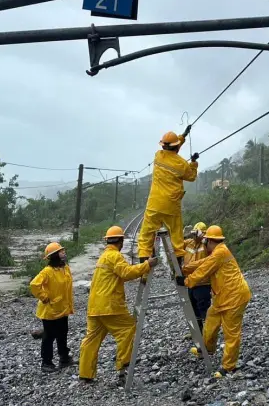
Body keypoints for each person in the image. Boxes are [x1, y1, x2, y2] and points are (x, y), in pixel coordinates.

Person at [78, 226, 158, 384]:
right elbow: (126, 273)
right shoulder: (115, 256)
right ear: (120, 241)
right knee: (127, 328)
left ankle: (85, 374)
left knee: (91, 339)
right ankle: (123, 367)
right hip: (110, 306)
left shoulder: (103, 257)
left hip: (95, 307)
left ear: (107, 240)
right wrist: (147, 265)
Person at [184, 225, 252, 378]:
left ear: (209, 241)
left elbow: (204, 269)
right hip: (223, 297)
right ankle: (207, 348)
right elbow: (204, 263)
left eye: (205, 241)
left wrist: (187, 281)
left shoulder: (220, 252)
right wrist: (186, 268)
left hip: (235, 298)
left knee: (231, 333)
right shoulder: (218, 251)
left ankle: (229, 367)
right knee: (211, 319)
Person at [137, 131, 199, 268]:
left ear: (164, 146)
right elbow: (191, 176)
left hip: (154, 204)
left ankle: (143, 265)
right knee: (176, 236)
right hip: (171, 205)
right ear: (177, 147)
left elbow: (172, 148)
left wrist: (182, 137)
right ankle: (178, 267)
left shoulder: (158, 156)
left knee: (146, 235)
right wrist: (193, 163)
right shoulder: (182, 164)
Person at [30, 242, 75, 373]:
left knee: (63, 333)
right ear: (55, 255)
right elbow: (34, 285)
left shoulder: (65, 268)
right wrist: (44, 297)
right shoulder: (47, 272)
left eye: (63, 251)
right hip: (50, 310)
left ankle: (64, 358)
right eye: (61, 252)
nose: (64, 253)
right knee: (49, 336)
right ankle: (46, 363)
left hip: (62, 308)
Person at [183, 221, 211, 332]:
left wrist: (203, 236)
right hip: (190, 282)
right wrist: (182, 234)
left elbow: (212, 248)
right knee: (193, 308)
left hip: (202, 283)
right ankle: (198, 332)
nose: (194, 236)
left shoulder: (206, 245)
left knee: (204, 309)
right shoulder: (189, 243)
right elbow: (176, 244)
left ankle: (208, 334)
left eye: (196, 234)